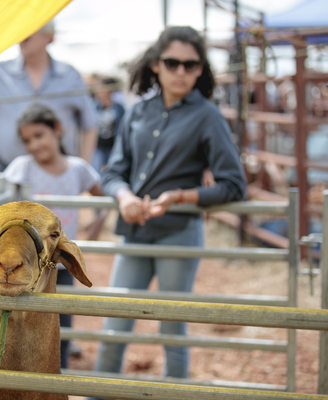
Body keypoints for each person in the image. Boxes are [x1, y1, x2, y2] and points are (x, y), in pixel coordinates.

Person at [89, 26, 247, 394]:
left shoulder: (208, 116)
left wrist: (179, 197)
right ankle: (96, 394)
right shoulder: (137, 111)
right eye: (172, 62)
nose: (180, 71)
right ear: (156, 65)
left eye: (190, 65)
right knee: (115, 326)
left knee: (173, 328)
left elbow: (234, 185)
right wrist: (124, 196)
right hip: (135, 230)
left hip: (179, 232)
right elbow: (113, 171)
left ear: (200, 70)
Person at [0, 103, 103, 369]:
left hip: (59, 260)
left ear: (57, 130)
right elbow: (0, 206)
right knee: (21, 317)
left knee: (58, 320)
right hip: (27, 261)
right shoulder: (24, 167)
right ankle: (14, 372)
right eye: (27, 140)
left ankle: (53, 373)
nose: (33, 145)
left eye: (39, 135)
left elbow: (102, 196)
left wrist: (99, 221)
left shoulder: (78, 168)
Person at [0, 20, 98, 171]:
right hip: (9, 169)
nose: (21, 39)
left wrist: (82, 170)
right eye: (19, 33)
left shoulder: (69, 76)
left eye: (27, 34)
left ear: (48, 37)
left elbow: (89, 126)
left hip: (58, 175)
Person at [91, 75, 125, 175]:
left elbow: (123, 127)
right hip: (99, 146)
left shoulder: (118, 107)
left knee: (113, 170)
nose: (98, 92)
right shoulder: (93, 107)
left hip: (113, 146)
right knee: (95, 169)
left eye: (101, 88)